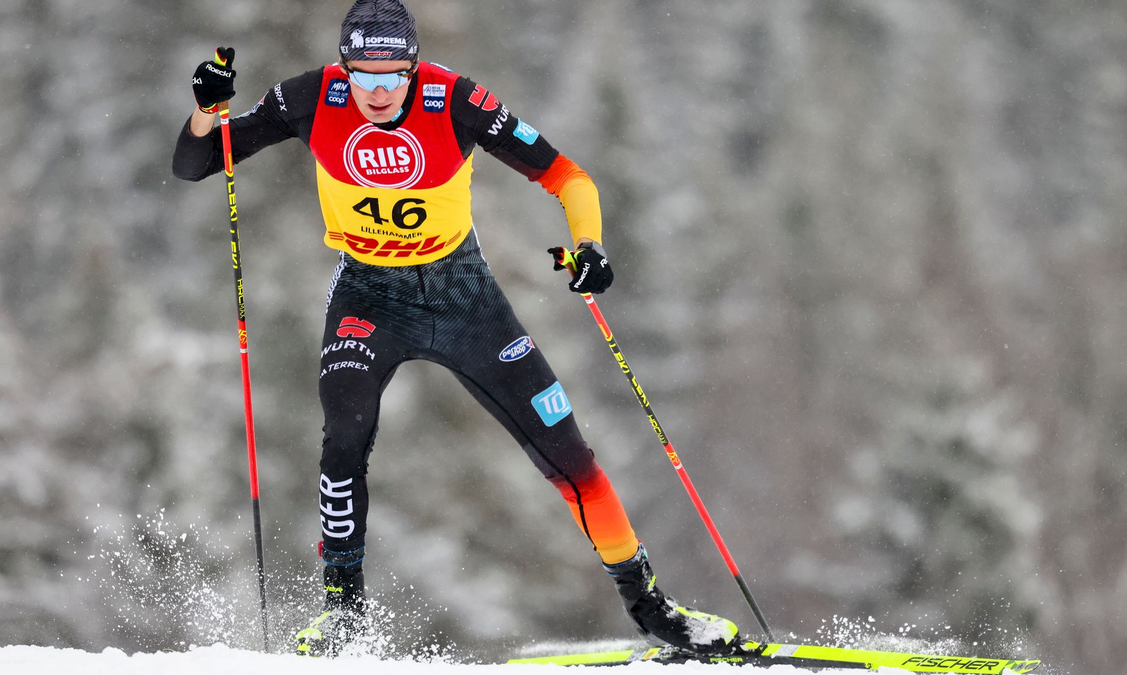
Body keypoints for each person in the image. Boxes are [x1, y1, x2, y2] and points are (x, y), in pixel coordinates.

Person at [173, 0, 739, 657]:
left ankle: (653, 607)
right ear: (343, 68)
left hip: (462, 294)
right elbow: (196, 162)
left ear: (415, 69)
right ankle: (344, 615)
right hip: (368, 293)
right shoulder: (310, 97)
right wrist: (205, 108)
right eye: (363, 75)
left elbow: (567, 176)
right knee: (344, 434)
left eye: (393, 76)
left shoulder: (455, 99)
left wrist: (589, 245)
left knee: (569, 456)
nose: (378, 92)